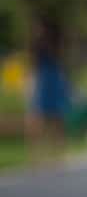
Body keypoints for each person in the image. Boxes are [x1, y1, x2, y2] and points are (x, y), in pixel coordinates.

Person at [25, 18, 72, 161]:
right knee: (37, 117)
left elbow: (57, 61)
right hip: (42, 79)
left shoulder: (54, 44)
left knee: (56, 118)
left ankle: (59, 152)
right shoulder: (35, 46)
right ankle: (36, 154)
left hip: (51, 79)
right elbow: (33, 65)